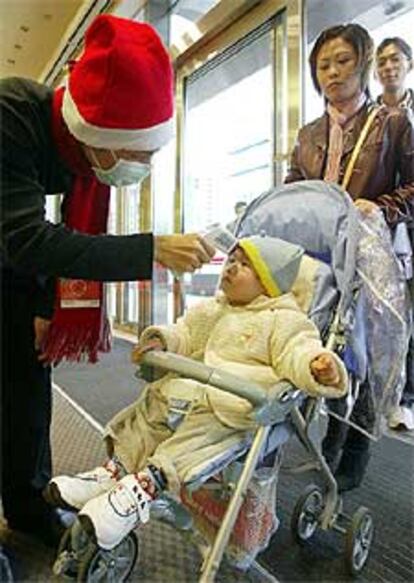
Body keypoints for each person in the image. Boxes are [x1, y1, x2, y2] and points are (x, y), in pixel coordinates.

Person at [0, 14, 215, 546]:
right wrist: (152, 248)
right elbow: (27, 237)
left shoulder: (78, 151)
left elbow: (48, 238)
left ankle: (29, 508)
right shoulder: (11, 116)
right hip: (12, 245)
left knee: (27, 394)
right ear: (100, 137)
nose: (140, 166)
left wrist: (48, 304)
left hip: (14, 265)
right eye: (139, 154)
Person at [44, 235, 348, 551]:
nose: (231, 268)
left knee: (194, 441)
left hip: (231, 405)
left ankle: (145, 485)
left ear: (270, 283)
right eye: (231, 260)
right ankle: (115, 471)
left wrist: (316, 365)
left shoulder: (284, 320)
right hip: (187, 392)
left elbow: (297, 351)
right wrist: (163, 341)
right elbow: (185, 333)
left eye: (246, 266)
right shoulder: (213, 309)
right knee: (147, 414)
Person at [284, 23, 414, 491]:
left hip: (370, 259)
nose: (333, 72)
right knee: (323, 345)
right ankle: (330, 431)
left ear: (362, 64)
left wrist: (378, 207)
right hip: (319, 258)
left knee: (360, 349)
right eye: (323, 65)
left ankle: (354, 442)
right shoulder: (308, 134)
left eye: (343, 61)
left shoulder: (392, 123)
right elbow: (289, 191)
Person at [375, 37, 414, 430]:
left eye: (395, 60)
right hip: (380, 230)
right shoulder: (369, 117)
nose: (388, 67)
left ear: (408, 64)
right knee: (383, 318)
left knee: (407, 318)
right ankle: (378, 395)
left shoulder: (409, 116)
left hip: (408, 225)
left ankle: (404, 399)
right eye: (382, 61)